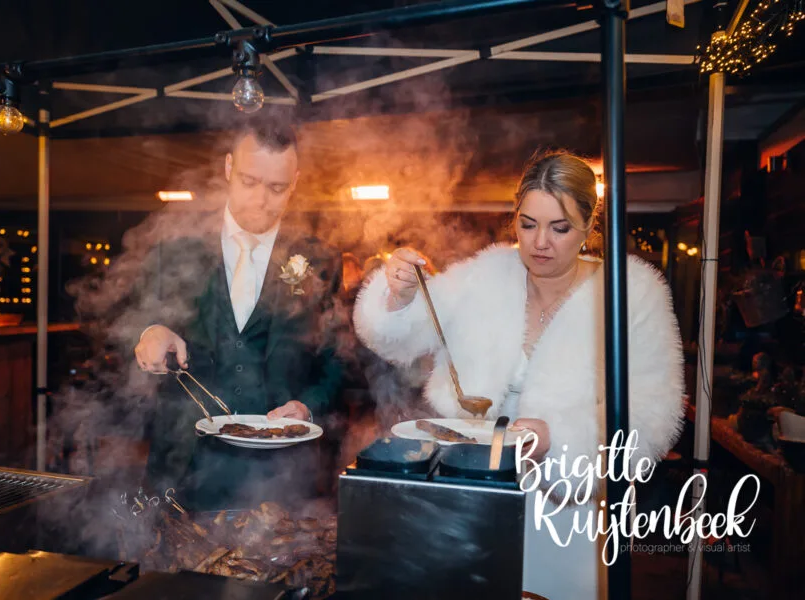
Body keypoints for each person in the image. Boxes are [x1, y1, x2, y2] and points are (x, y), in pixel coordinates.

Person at [353, 150, 685, 599]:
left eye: (559, 228)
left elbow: (651, 415)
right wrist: (399, 294)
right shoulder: (485, 276)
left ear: (590, 225)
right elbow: (401, 337)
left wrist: (557, 437)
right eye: (528, 224)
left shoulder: (629, 296)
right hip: (472, 496)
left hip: (569, 515)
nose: (540, 242)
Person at [134, 119, 344, 510]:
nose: (261, 200)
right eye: (249, 181)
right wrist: (151, 332)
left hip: (281, 472)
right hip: (185, 462)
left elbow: (336, 362)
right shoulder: (175, 250)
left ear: (295, 181)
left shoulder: (321, 260)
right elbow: (138, 319)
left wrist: (307, 406)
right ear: (229, 168)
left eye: (277, 187)